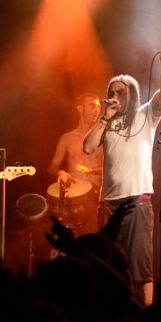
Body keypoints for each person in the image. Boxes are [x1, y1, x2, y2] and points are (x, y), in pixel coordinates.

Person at [83, 39, 161, 306]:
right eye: (112, 92)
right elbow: (88, 148)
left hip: (137, 202)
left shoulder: (146, 115)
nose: (115, 97)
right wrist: (104, 117)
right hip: (108, 203)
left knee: (140, 267)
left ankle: (145, 315)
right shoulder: (106, 122)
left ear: (132, 95)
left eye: (121, 93)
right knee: (108, 264)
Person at [47, 92, 104, 233]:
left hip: (95, 196)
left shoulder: (104, 138)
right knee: (70, 241)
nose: (97, 110)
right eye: (92, 106)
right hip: (72, 198)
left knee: (92, 241)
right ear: (80, 109)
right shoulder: (67, 138)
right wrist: (60, 172)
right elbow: (52, 167)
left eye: (98, 107)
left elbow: (112, 169)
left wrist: (91, 171)